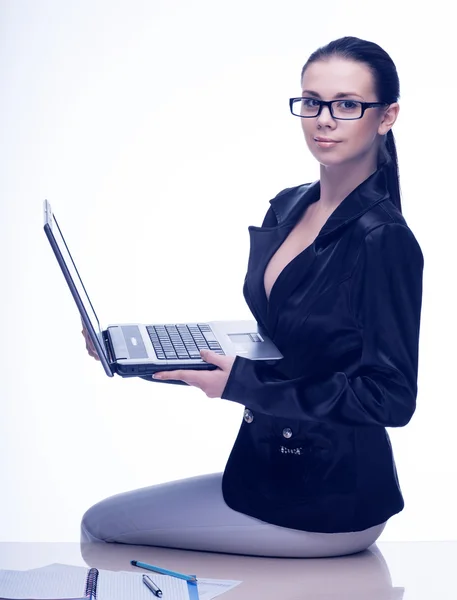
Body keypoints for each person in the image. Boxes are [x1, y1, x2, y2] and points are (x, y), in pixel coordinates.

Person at [80, 36, 424, 558]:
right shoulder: (288, 206)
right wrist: (144, 355)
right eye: (311, 102)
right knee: (102, 522)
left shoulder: (384, 239)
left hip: (332, 499)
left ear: (386, 116)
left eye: (347, 104)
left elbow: (390, 397)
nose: (324, 119)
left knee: (100, 528)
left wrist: (242, 385)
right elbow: (285, 349)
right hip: (265, 470)